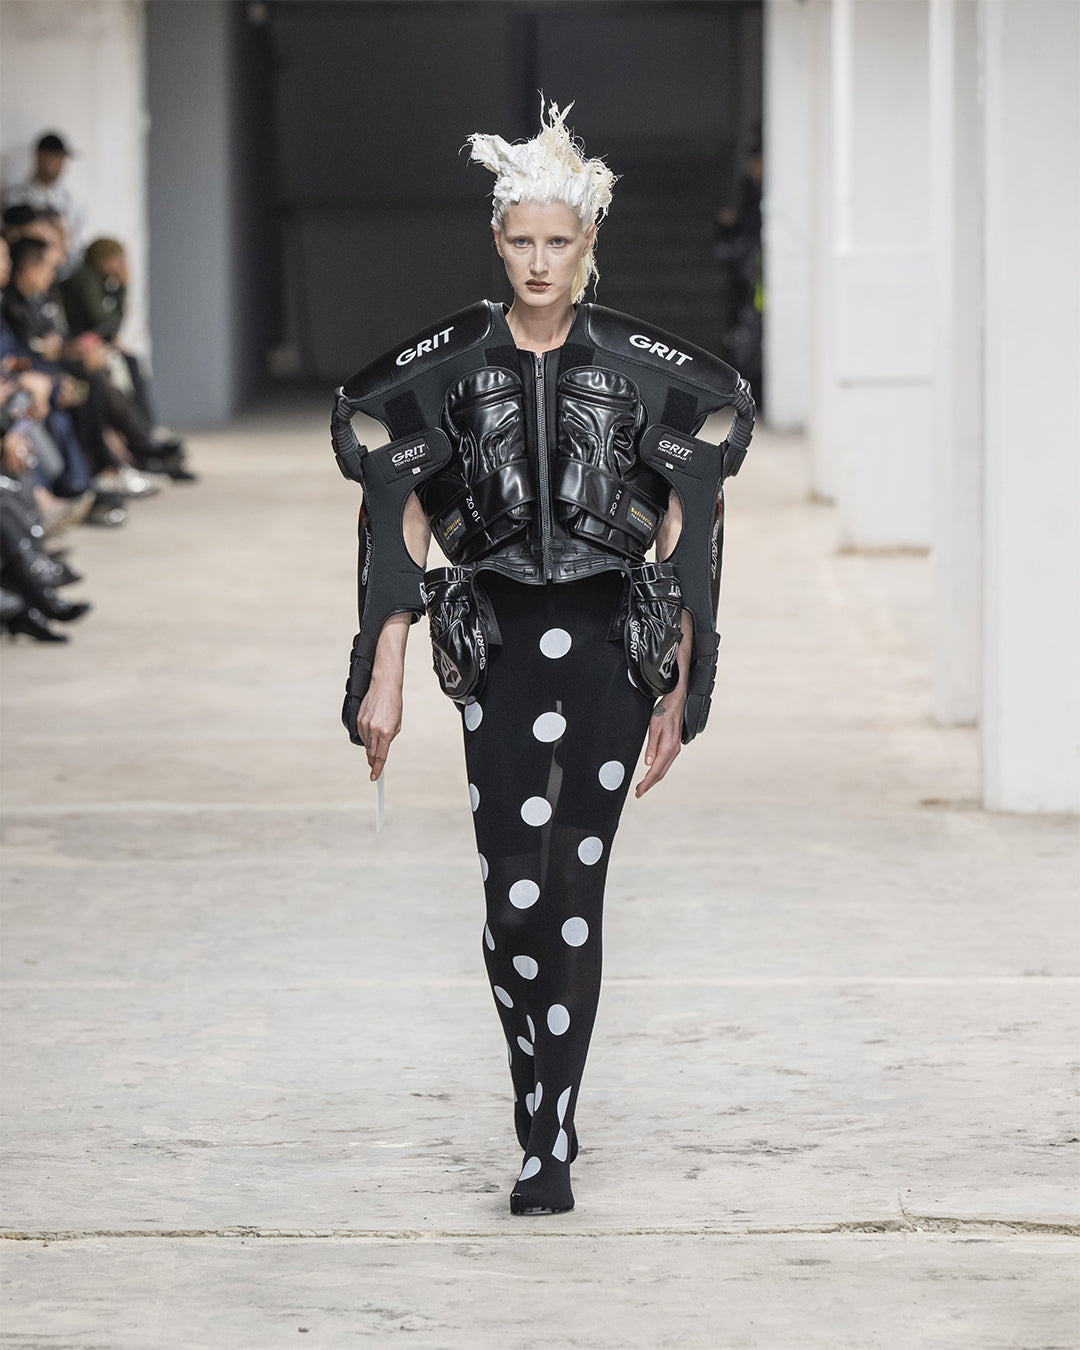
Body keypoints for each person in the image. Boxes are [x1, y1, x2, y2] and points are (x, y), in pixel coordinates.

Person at [332, 102, 754, 1216]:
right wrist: (384, 663)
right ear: (497, 240)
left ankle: (548, 1133)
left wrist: (686, 669)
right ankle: (538, 1092)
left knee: (573, 887)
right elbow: (396, 498)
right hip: (501, 649)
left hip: (610, 645)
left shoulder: (635, 365)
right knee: (512, 899)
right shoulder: (455, 363)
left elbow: (693, 503)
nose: (536, 261)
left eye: (556, 241)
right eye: (520, 239)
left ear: (586, 244)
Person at [2, 132, 83, 279]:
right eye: (55, 158)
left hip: (65, 272)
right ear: (40, 156)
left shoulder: (70, 200)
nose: (60, 165)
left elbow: (74, 241)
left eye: (63, 160)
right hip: (28, 273)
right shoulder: (17, 195)